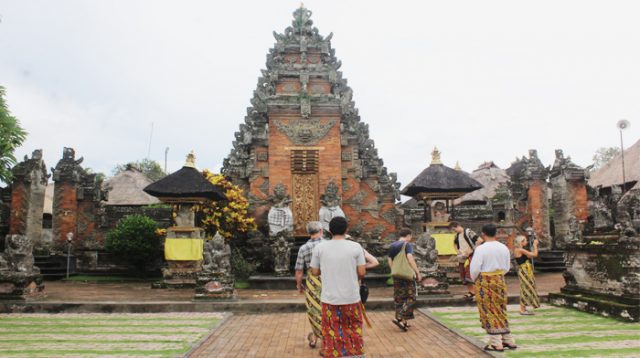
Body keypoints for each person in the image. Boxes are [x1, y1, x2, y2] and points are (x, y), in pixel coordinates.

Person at [310, 217, 366, 358]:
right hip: (351, 297)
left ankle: (334, 354)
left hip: (330, 299)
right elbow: (361, 272)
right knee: (353, 327)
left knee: (331, 329)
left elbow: (314, 272)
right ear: (347, 230)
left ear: (329, 231)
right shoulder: (355, 247)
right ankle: (355, 354)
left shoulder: (320, 247)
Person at [470, 223, 517, 352]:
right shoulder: (504, 247)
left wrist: (475, 280)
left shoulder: (481, 249)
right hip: (500, 279)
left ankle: (496, 342)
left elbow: (474, 269)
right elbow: (507, 266)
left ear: (483, 234)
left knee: (489, 309)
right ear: (495, 233)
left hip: (485, 279)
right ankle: (508, 339)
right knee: (501, 308)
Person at [294, 221, 326, 349]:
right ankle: (320, 337)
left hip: (313, 281)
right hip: (329, 279)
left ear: (308, 233)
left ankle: (317, 337)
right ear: (321, 231)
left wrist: (299, 285)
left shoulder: (303, 248)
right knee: (328, 309)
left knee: (315, 310)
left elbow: (299, 270)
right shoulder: (327, 245)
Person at [388, 228, 422, 331]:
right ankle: (399, 317)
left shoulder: (392, 245)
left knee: (399, 298)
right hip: (407, 275)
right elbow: (410, 258)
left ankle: (403, 322)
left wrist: (394, 270)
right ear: (408, 235)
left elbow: (389, 259)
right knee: (411, 297)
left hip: (396, 275)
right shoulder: (407, 245)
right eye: (410, 236)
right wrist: (417, 272)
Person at [450, 221, 482, 299]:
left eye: (454, 229)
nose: (454, 231)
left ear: (458, 226)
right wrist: (458, 251)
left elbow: (480, 240)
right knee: (464, 275)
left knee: (470, 274)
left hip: (471, 256)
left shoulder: (468, 232)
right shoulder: (457, 235)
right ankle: (471, 292)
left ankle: (476, 292)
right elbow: (454, 244)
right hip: (462, 257)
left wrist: (471, 250)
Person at [514, 234, 541, 315]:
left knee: (526, 287)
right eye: (525, 240)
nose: (526, 242)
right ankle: (522, 309)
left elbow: (530, 255)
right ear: (521, 242)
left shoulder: (520, 250)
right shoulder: (519, 250)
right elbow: (534, 255)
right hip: (524, 270)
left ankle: (523, 308)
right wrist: (535, 245)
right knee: (525, 288)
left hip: (526, 270)